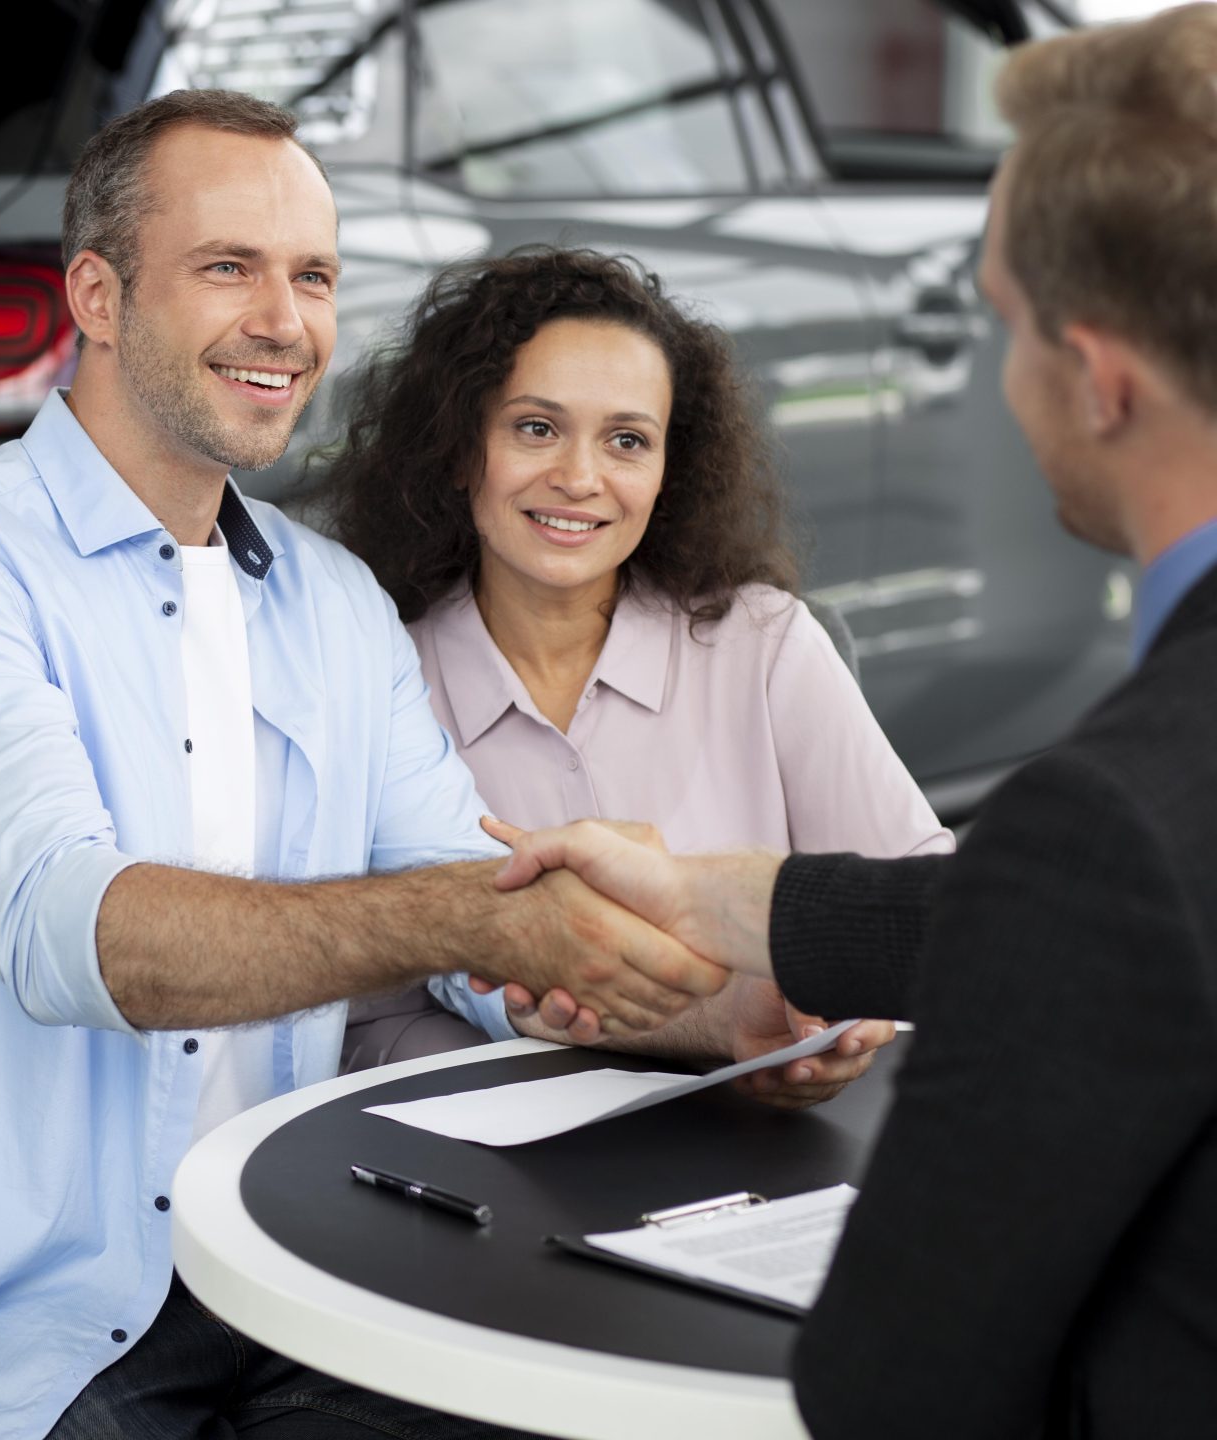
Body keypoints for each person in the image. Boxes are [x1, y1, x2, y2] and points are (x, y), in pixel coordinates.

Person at [0, 89, 787, 1440]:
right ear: (99, 296)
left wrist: (744, 1026)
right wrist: (475, 914)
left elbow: (484, 925)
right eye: (228, 267)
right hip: (8, 1324)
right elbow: (87, 940)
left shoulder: (331, 601)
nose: (284, 321)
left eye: (313, 277)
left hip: (289, 1279)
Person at [487, 7, 1217, 1435]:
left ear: (1102, 375)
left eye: (1004, 328)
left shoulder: (1113, 824)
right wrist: (717, 899)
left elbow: (890, 1378)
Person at [327, 247, 948, 1079]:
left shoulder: (765, 645)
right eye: (536, 428)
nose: (580, 478)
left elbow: (922, 900)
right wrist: (565, 1047)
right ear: (459, 448)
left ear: (668, 472)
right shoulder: (375, 680)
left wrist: (832, 1020)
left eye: (627, 440)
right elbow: (359, 1023)